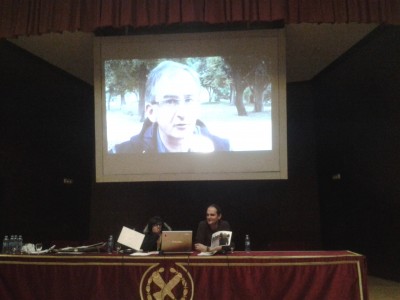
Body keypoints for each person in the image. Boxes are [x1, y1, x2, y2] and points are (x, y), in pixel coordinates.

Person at [111, 60, 230, 153]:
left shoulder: (224, 149)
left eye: (189, 100)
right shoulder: (121, 155)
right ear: (151, 112)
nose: (182, 114)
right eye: (170, 101)